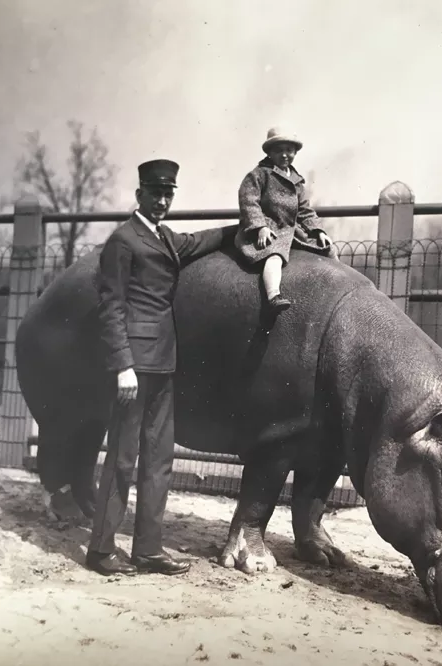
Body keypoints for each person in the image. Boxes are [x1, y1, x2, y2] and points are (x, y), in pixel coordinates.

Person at [88, 158, 231, 577]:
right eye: (155, 194)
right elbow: (110, 306)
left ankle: (148, 550)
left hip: (164, 363)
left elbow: (201, 240)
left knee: (159, 460)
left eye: (169, 194)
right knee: (122, 458)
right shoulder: (123, 241)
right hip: (134, 367)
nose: (163, 201)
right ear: (139, 195)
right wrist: (122, 365)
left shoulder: (165, 238)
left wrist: (245, 226)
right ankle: (99, 550)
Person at [234, 128, 337, 312]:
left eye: (289, 150)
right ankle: (273, 295)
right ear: (269, 152)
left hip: (291, 229)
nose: (284, 155)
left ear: (295, 152)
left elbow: (304, 209)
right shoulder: (259, 174)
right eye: (278, 150)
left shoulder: (296, 181)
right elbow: (249, 201)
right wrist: (260, 227)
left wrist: (318, 231)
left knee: (328, 249)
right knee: (274, 255)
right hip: (269, 228)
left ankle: (340, 288)